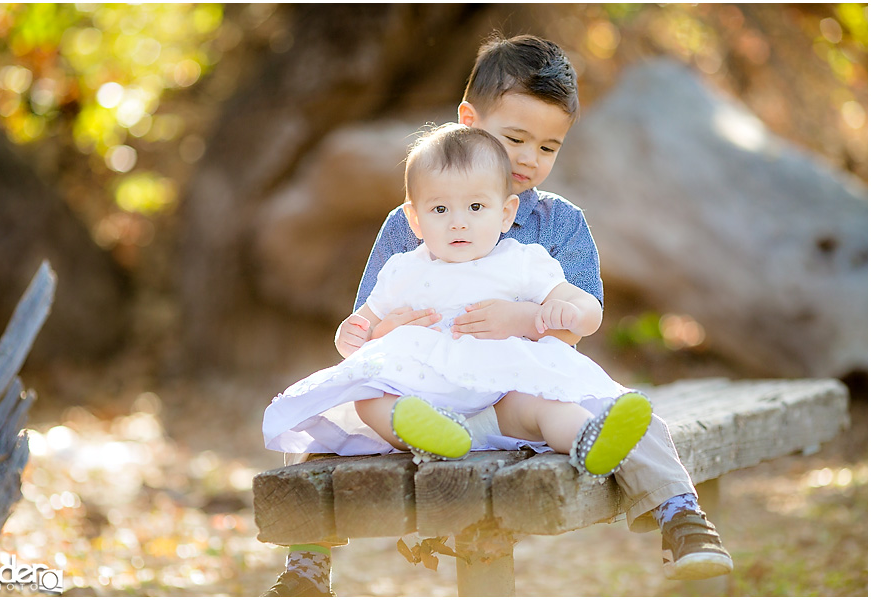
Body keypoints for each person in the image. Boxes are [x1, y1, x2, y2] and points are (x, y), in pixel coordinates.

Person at [264, 33, 732, 597]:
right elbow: (368, 328)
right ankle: (306, 569)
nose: (530, 159)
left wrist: (525, 318)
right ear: (469, 119)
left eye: (549, 147)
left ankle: (681, 518)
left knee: (626, 411)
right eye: (514, 138)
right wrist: (379, 332)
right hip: (427, 394)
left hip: (519, 389)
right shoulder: (412, 217)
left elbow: (580, 322)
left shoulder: (557, 225)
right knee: (334, 413)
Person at [264, 122, 653, 470]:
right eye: (439, 208)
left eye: (476, 206)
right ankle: (428, 435)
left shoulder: (522, 261)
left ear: (505, 213)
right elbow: (359, 329)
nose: (458, 221)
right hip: (421, 391)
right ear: (414, 219)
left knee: (546, 406)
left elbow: (586, 307)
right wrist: (352, 334)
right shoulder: (403, 269)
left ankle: (589, 438)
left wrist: (569, 312)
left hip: (502, 393)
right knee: (369, 397)